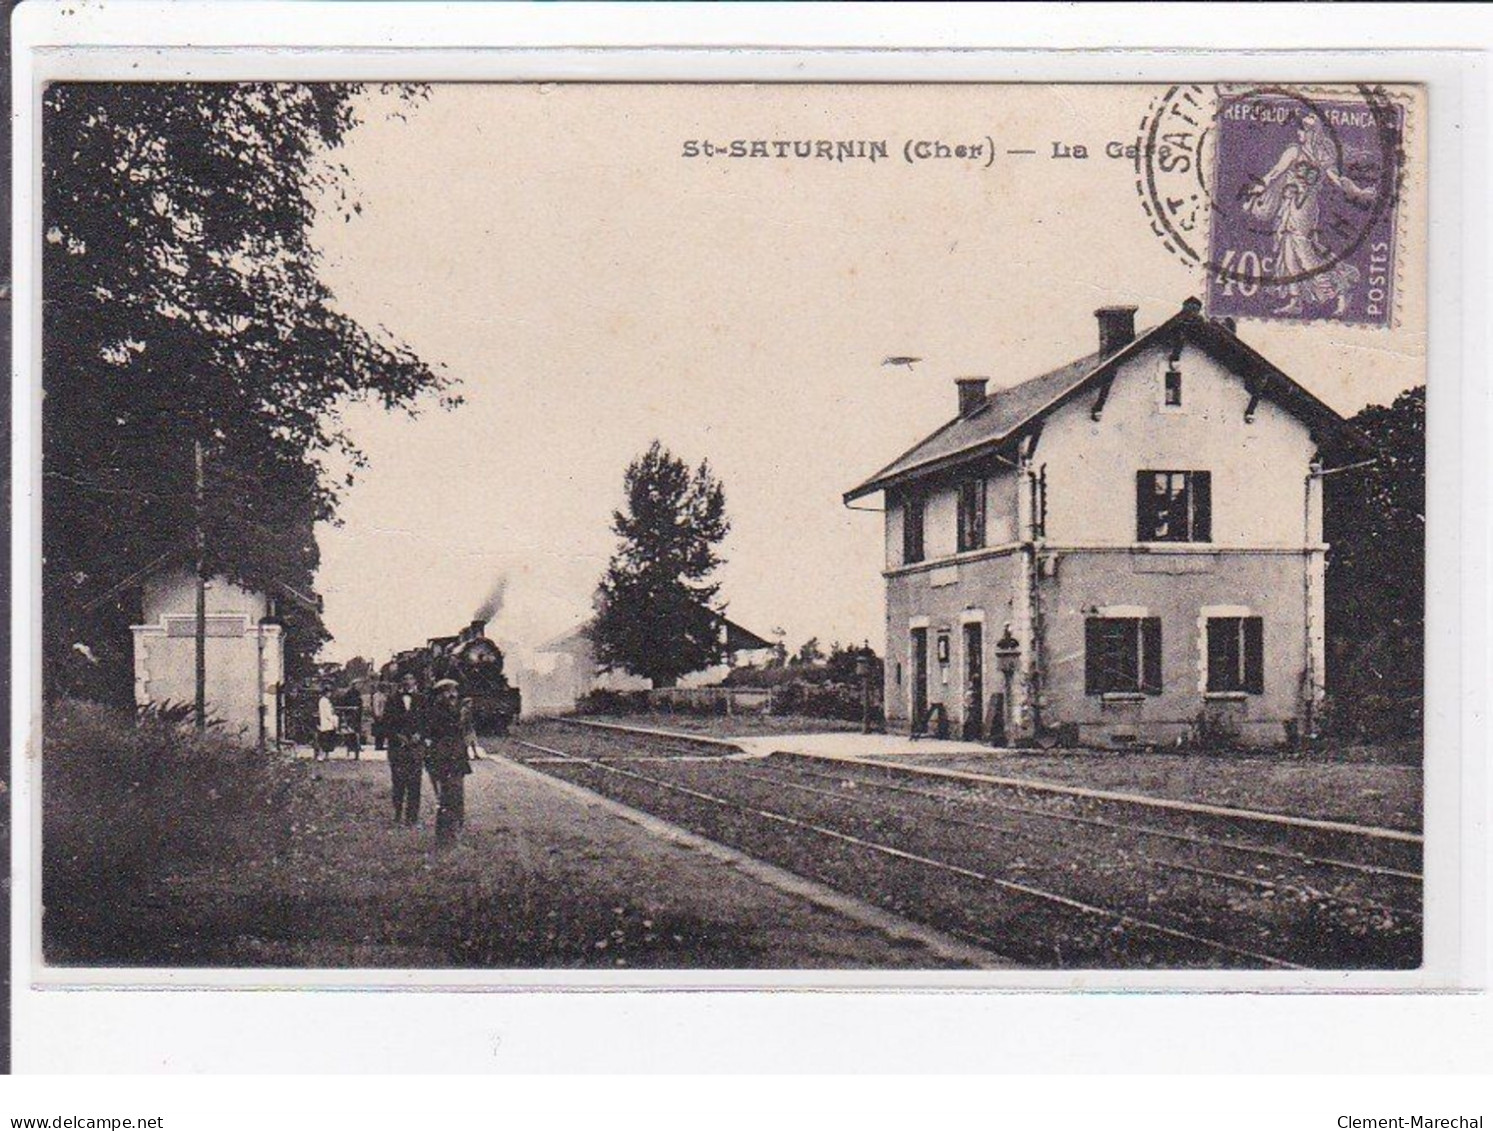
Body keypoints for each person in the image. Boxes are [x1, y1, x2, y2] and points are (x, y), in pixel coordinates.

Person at [423, 678, 472, 843]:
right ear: (439, 695)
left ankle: (455, 832)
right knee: (447, 798)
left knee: (457, 797)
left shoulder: (456, 710)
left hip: (456, 759)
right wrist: (460, 716)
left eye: (454, 691)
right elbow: (443, 730)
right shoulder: (436, 712)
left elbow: (463, 733)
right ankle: (446, 836)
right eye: (448, 691)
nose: (453, 695)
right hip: (444, 760)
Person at [381, 672, 426, 825]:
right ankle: (397, 815)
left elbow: (428, 721)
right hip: (397, 748)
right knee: (398, 782)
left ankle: (412, 818)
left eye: (411, 678)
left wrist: (420, 734)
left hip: (415, 748)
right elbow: (386, 723)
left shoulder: (422, 699)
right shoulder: (392, 700)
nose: (408, 681)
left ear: (415, 681)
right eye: (405, 679)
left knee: (415, 783)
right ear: (401, 682)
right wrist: (396, 735)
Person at [315, 689, 338, 762]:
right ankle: (321, 756)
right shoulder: (324, 701)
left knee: (327, 741)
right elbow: (328, 713)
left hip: (327, 723)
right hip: (327, 723)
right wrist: (334, 721)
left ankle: (326, 756)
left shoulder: (324, 701)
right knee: (325, 740)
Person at [371, 681, 390, 751]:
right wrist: (377, 715)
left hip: (384, 715)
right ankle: (378, 745)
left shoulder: (384, 695)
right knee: (378, 731)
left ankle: (381, 744)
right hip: (379, 715)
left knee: (382, 730)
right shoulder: (377, 695)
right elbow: (376, 705)